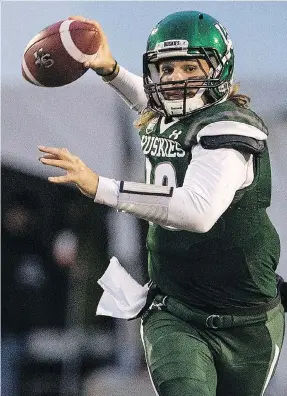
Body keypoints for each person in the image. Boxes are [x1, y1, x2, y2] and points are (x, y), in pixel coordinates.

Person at [38, 11, 286, 396]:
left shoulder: (230, 127)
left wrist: (101, 186)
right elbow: (148, 102)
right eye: (166, 69)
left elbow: (198, 211)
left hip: (248, 320)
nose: (175, 80)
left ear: (218, 71)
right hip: (176, 309)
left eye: (189, 67)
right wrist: (110, 70)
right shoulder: (166, 115)